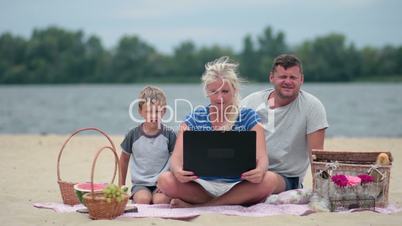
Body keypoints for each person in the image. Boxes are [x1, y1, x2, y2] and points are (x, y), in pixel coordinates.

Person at [157, 56, 277, 208]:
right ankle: (222, 203)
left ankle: (202, 206)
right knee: (165, 180)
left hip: (239, 185)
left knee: (270, 179)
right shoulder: (194, 117)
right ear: (207, 91)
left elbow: (262, 158)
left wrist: (260, 170)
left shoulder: (249, 117)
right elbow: (176, 158)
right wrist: (178, 171)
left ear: (235, 90)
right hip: (201, 185)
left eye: (225, 91)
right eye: (214, 92)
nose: (220, 98)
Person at [242, 53, 328, 193]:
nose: (288, 81)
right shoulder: (251, 101)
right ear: (272, 78)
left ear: (301, 79)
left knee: (266, 181)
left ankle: (210, 206)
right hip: (250, 171)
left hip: (287, 178)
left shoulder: (312, 106)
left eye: (293, 77)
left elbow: (317, 158)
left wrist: (322, 194)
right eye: (282, 77)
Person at [119, 85, 176, 204]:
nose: (153, 115)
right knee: (143, 200)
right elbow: (124, 159)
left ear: (164, 111)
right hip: (141, 184)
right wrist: (121, 187)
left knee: (160, 202)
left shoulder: (169, 134)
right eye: (149, 111)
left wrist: (169, 182)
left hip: (162, 183)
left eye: (157, 111)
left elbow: (175, 160)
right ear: (140, 112)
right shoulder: (132, 135)